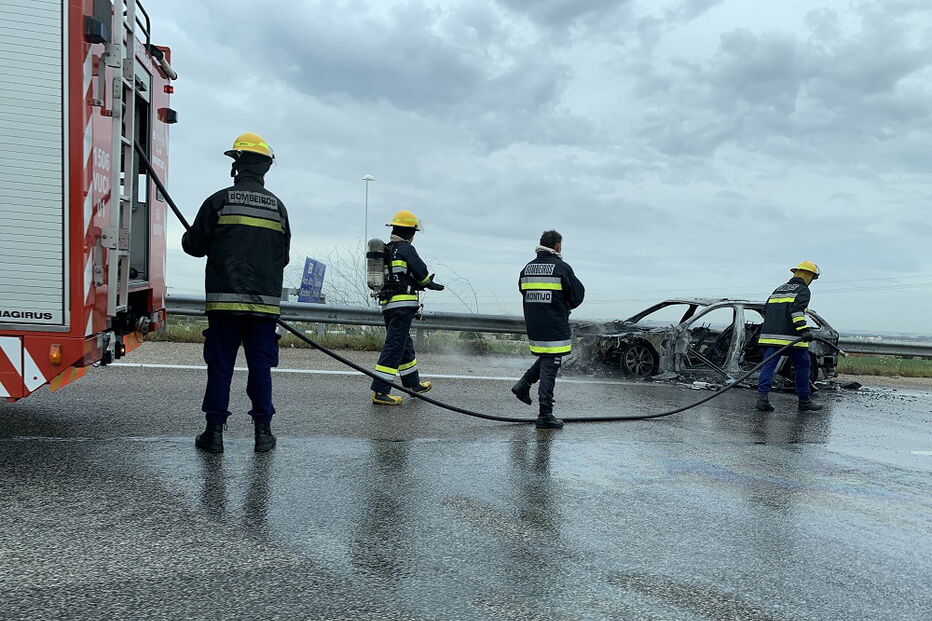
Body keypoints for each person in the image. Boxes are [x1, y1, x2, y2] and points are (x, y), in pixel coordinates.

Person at [182, 132, 291, 453]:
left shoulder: (219, 201)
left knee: (220, 367)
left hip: (223, 305)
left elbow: (193, 246)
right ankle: (264, 433)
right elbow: (282, 257)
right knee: (260, 367)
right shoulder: (278, 208)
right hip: (264, 309)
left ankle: (213, 434)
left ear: (237, 166)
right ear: (265, 169)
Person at [512, 230, 585, 429]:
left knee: (546, 358)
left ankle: (523, 385)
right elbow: (577, 295)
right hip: (554, 324)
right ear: (558, 246)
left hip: (535, 325)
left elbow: (522, 289)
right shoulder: (561, 268)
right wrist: (562, 305)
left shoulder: (527, 268)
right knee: (551, 366)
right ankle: (545, 414)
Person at [370, 210, 445, 405]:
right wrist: (429, 283)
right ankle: (380, 391)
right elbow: (421, 272)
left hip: (388, 304)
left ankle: (413, 384)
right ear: (409, 233)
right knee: (395, 345)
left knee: (404, 344)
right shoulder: (406, 249)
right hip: (402, 304)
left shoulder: (387, 249)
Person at [756, 261, 823, 413]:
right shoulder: (803, 290)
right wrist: (804, 330)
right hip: (792, 339)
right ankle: (804, 402)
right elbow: (797, 311)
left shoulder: (778, 289)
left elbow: (765, 311)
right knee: (803, 367)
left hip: (770, 337)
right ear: (809, 275)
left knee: (767, 367)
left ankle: (762, 399)